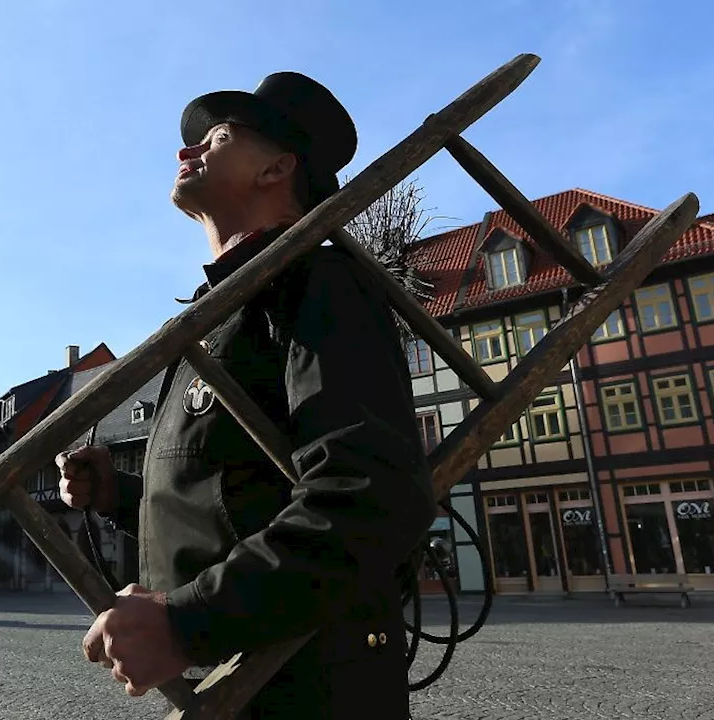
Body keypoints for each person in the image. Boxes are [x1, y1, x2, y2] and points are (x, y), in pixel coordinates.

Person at [56, 71, 436, 719]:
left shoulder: (318, 286)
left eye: (219, 137)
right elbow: (234, 492)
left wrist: (188, 622)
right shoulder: (221, 313)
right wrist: (122, 494)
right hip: (247, 683)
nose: (187, 149)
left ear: (277, 169)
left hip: (311, 688)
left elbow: (370, 495)